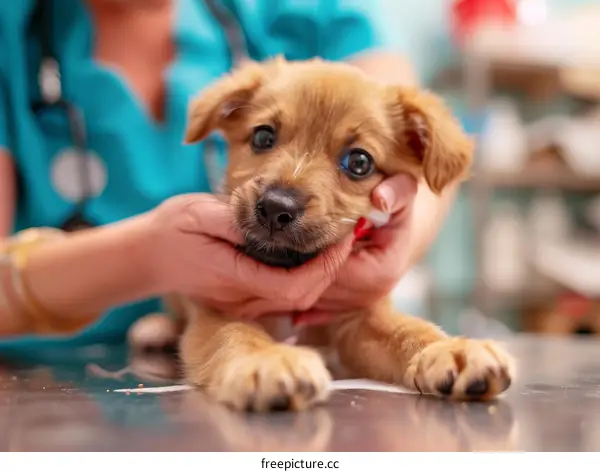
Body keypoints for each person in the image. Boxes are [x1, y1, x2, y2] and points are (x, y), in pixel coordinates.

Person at [0, 0, 460, 359]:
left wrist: (398, 240)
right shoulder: (13, 31)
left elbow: (418, 134)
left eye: (356, 163)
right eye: (264, 137)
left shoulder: (290, 8)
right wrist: (144, 258)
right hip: (47, 379)